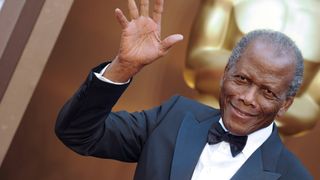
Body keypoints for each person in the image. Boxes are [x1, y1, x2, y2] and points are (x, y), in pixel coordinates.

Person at [55, 0, 312, 179]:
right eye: (242, 79)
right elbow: (77, 133)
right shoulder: (175, 117)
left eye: (267, 92)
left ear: (285, 104)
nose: (247, 98)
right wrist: (123, 67)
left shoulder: (293, 175)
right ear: (225, 75)